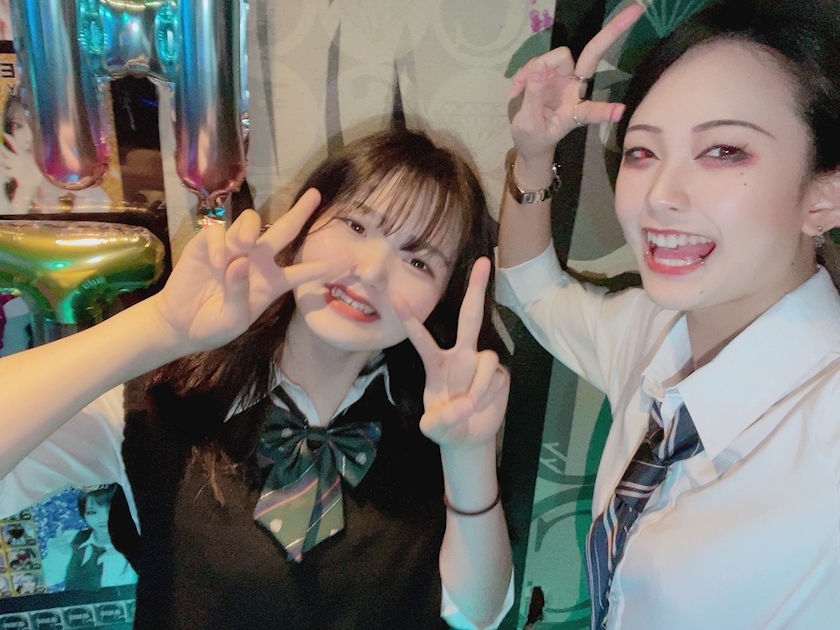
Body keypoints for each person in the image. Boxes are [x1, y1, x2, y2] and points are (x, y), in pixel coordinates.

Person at [0, 128, 513, 629]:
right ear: (305, 226)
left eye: (418, 261)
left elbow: (476, 613)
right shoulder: (167, 396)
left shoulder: (440, 421)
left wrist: (469, 454)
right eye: (357, 226)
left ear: (444, 296)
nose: (372, 271)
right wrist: (158, 329)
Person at [497, 1, 840, 629]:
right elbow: (532, 290)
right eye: (642, 152)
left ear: (824, 198)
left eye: (724, 150)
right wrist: (533, 153)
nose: (659, 196)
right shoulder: (654, 333)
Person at [0, 93, 112, 214]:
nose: (28, 135)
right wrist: (26, 189)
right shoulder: (4, 171)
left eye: (38, 124)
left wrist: (39, 187)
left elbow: (64, 224)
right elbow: (6, 223)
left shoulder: (87, 189)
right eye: (18, 126)